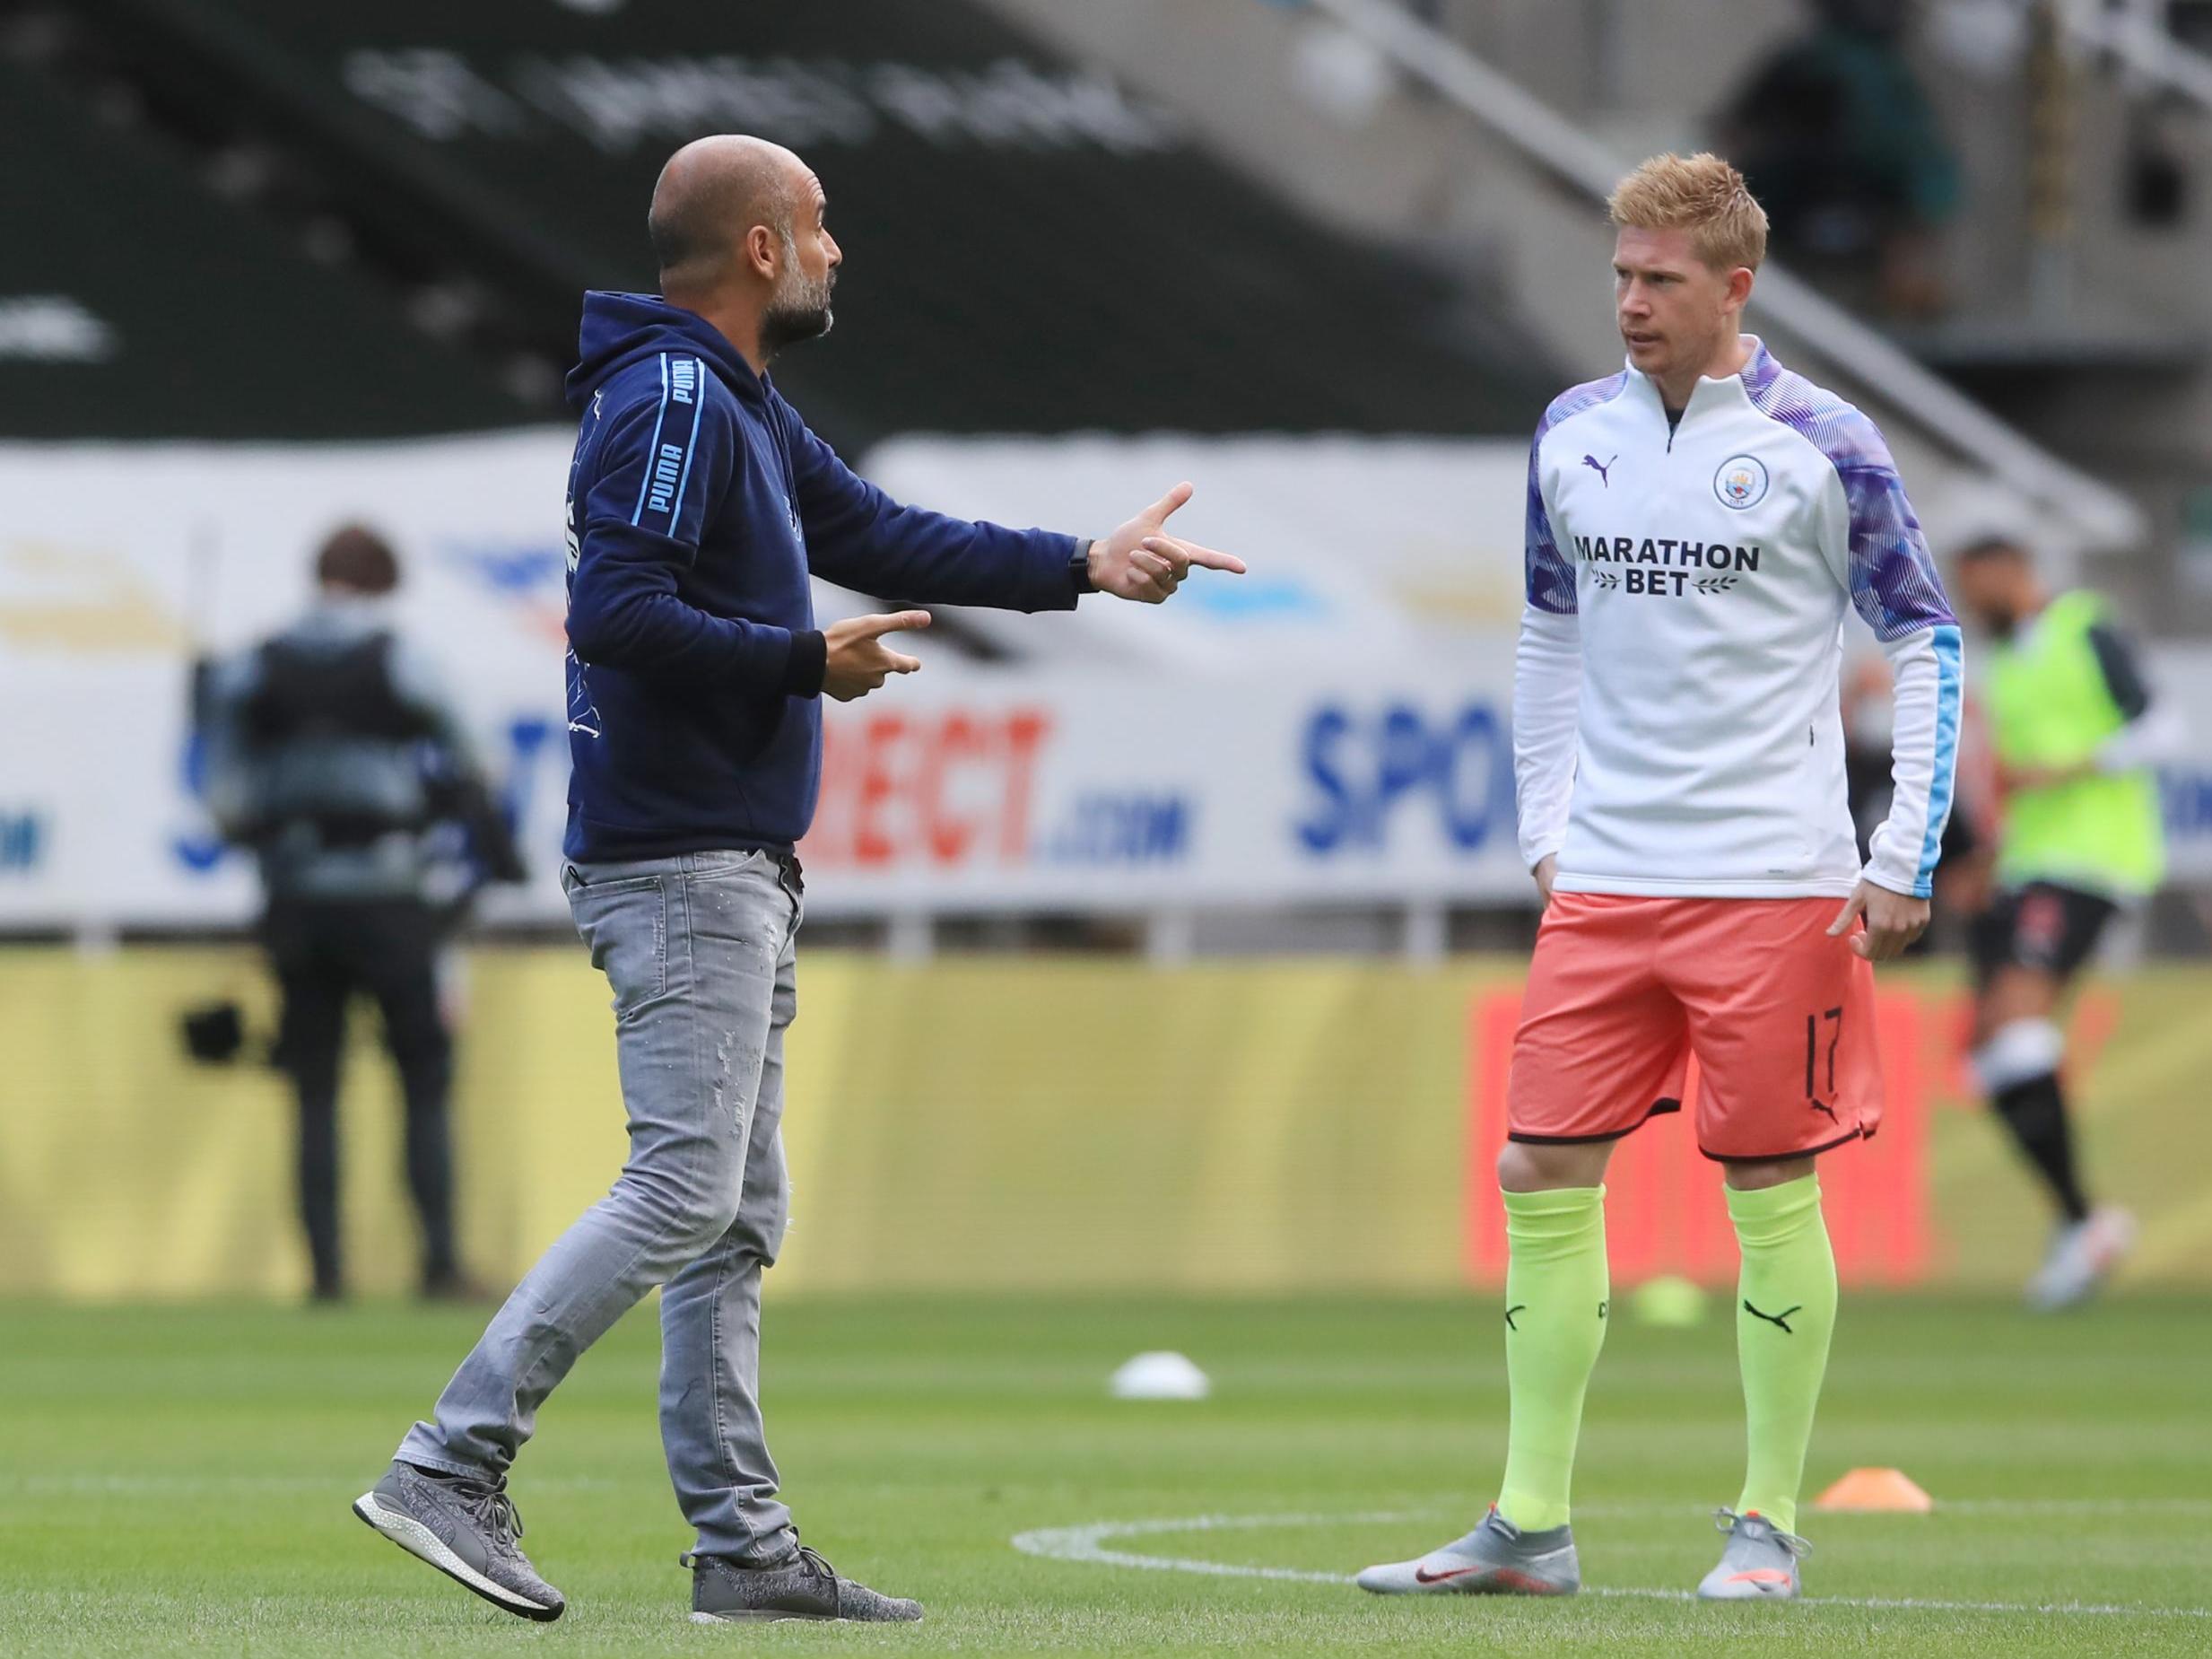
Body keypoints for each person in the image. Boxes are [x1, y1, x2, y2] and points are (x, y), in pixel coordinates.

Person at [351, 135, 1244, 1626]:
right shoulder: (680, 397)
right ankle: (451, 1458)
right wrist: (798, 660)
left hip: (724, 848)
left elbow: (883, 534)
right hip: (681, 851)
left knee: (731, 1213)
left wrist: (1086, 562)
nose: (839, 254)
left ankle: (744, 1546)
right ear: (761, 247)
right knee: (685, 1183)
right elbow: (614, 613)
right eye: (821, 228)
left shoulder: (732, 404)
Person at [1357, 153, 1960, 1603]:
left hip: (1775, 881)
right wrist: (1543, 826)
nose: (1629, 303)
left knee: (1766, 1176)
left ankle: (1764, 1522)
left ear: (1733, 286)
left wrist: (1901, 847)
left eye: (1659, 280)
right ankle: (1527, 1522)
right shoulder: (1572, 433)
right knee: (1538, 1165)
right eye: (1619, 275)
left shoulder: (1827, 442)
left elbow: (1925, 638)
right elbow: (1549, 632)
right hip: (1609, 883)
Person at [203, 524, 525, 1303]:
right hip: (390, 895)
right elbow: (479, 755)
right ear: (381, 582)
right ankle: (439, 1261)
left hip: (297, 896)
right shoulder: (398, 656)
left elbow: (224, 790)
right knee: (422, 1076)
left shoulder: (260, 662)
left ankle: (326, 1272)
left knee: (314, 1084)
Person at [1949, 536, 2178, 1308]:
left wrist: (2071, 768)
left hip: (2093, 862)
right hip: (2029, 865)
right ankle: (2082, 1220)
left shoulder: (2087, 625)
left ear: (2015, 573)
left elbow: (2164, 729)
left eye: (1977, 588)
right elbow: (2012, 779)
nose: (1971, 604)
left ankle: (2086, 1222)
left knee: (2015, 1022)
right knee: (1985, 1055)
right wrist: (1987, 856)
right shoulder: (2005, 663)